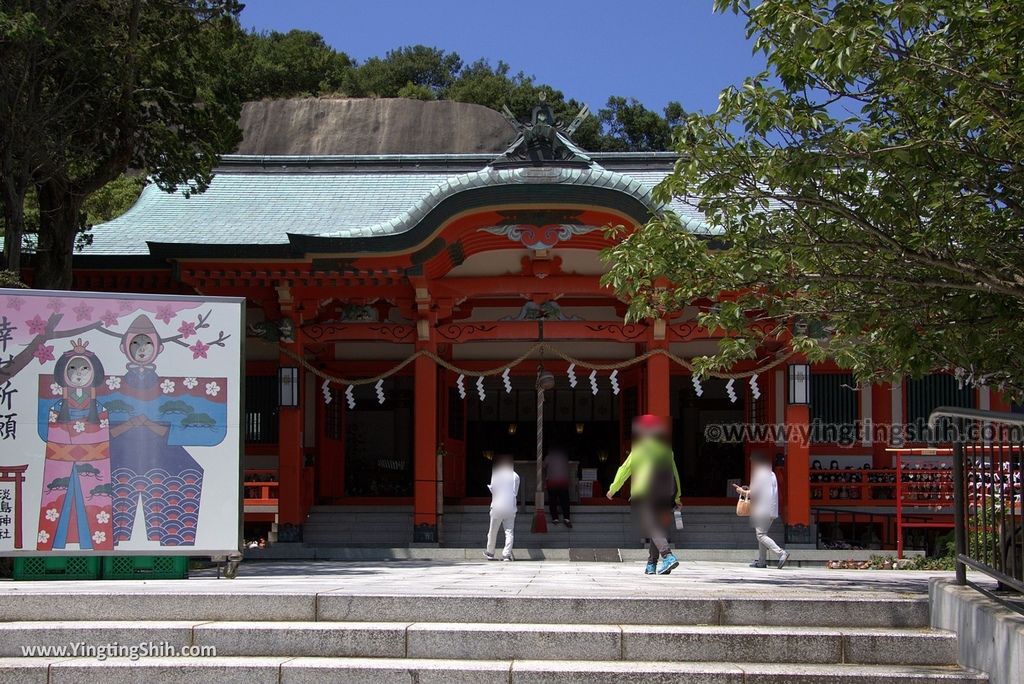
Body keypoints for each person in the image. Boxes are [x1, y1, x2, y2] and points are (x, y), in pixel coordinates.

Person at [606, 415, 682, 575]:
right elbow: (675, 473)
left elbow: (624, 469)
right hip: (665, 493)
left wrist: (613, 489)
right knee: (658, 527)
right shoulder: (667, 450)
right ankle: (651, 565)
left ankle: (667, 555)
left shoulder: (639, 450)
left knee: (651, 525)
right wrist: (677, 497)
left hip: (646, 492)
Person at [734, 452, 790, 569]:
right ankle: (761, 561)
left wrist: (741, 491)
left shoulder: (758, 474)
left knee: (761, 535)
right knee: (763, 534)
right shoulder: (772, 474)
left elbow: (753, 493)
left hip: (762, 509)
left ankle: (781, 553)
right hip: (772, 509)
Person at [484, 453, 520, 561]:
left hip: (497, 506)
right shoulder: (516, 476)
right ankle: (506, 555)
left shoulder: (496, 474)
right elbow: (515, 492)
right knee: (509, 532)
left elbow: (493, 488)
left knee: (493, 531)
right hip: (510, 507)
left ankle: (490, 552)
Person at [545, 447, 572, 527]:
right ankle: (566, 518)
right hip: (562, 480)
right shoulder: (563, 456)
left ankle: (555, 518)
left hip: (552, 481)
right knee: (565, 500)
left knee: (552, 500)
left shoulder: (548, 457)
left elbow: (544, 466)